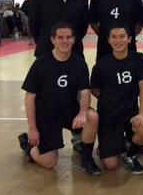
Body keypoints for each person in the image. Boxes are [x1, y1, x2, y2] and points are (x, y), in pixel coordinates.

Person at [18, 22, 101, 175]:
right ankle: (28, 146)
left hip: (69, 110)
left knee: (92, 116)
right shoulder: (41, 64)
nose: (65, 41)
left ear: (74, 39)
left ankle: (87, 159)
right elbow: (29, 98)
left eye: (68, 37)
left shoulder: (79, 63)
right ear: (53, 40)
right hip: (47, 114)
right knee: (49, 163)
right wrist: (32, 129)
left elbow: (85, 92)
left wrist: (83, 113)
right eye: (60, 37)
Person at [90, 23, 143, 174]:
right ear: (108, 40)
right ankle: (116, 143)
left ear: (129, 39)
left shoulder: (138, 59)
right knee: (111, 165)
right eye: (114, 37)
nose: (118, 40)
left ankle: (130, 154)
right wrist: (111, 99)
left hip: (130, 113)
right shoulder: (101, 65)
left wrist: (142, 113)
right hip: (109, 116)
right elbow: (94, 89)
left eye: (122, 36)